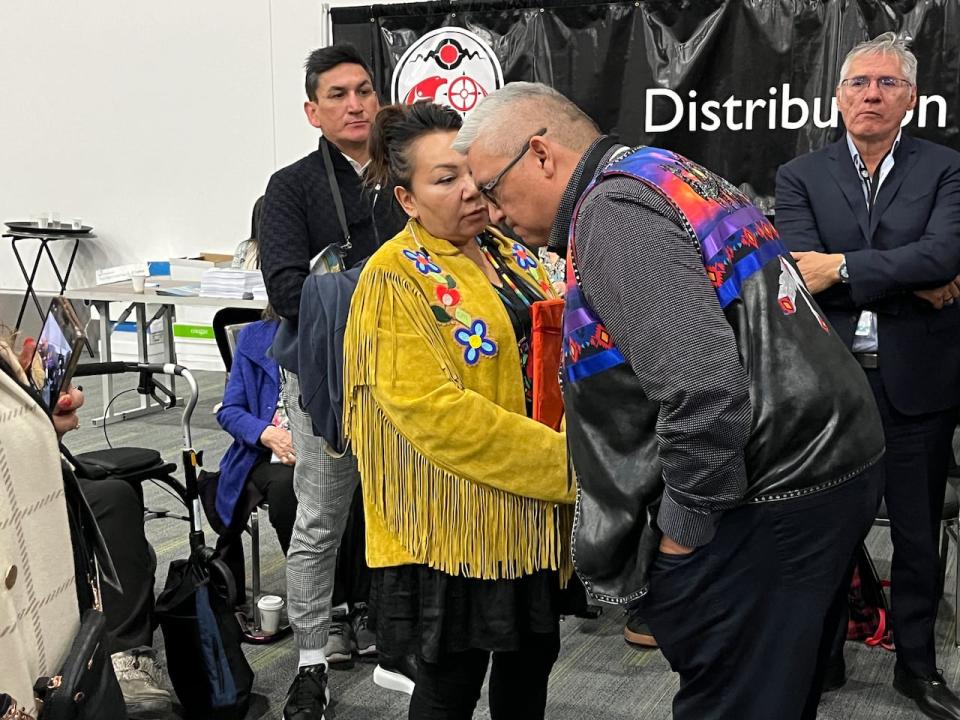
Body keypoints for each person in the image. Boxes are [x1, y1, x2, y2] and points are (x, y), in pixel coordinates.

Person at [455, 82, 886, 720]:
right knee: (778, 690)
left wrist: (681, 540)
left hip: (764, 496)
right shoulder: (660, 170)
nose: (490, 212)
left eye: (491, 188)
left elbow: (707, 395)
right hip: (823, 465)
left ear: (541, 155)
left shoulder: (610, 213)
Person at [342, 101, 575, 720]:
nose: (470, 189)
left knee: (532, 665)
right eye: (444, 179)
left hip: (531, 518)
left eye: (470, 170)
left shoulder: (512, 252)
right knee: (450, 687)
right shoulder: (394, 278)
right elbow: (437, 415)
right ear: (407, 199)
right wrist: (573, 465)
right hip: (455, 528)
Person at [776, 32, 960, 719]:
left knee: (915, 537)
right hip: (828, 385)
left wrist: (846, 267)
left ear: (910, 99)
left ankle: (917, 669)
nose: (872, 95)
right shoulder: (801, 176)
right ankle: (819, 659)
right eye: (859, 83)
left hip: (916, 385)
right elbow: (798, 269)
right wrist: (910, 273)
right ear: (839, 95)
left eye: (887, 84)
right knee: (824, 535)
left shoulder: (945, 168)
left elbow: (943, 254)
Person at [257, 43, 405, 717]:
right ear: (313, 110)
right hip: (327, 380)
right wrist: (387, 288)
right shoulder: (290, 187)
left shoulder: (410, 173)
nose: (355, 104)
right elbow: (289, 291)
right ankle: (312, 659)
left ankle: (402, 641)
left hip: (408, 379)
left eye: (365, 91)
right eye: (339, 95)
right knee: (320, 522)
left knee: (408, 512)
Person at [213, 310, 297, 604]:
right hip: (264, 452)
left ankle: (360, 601)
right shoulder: (254, 337)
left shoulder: (338, 333)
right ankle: (315, 596)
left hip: (326, 445)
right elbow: (230, 410)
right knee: (289, 490)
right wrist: (267, 433)